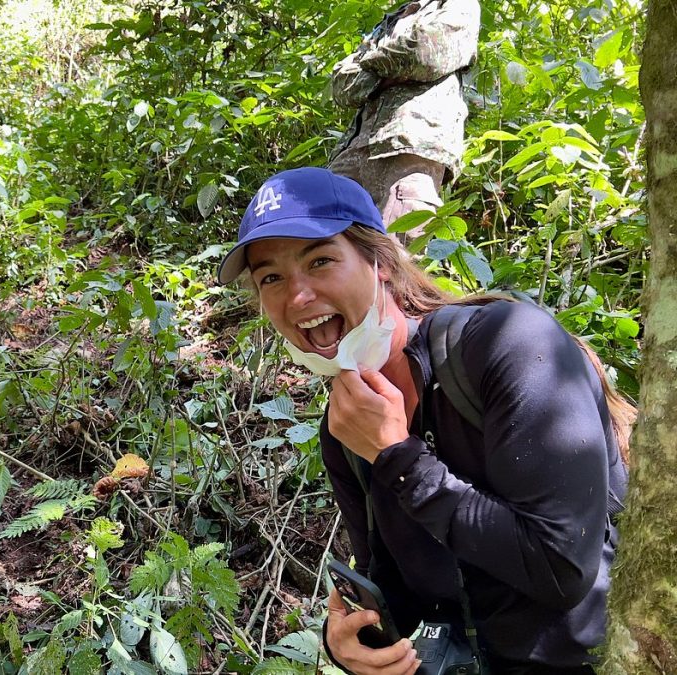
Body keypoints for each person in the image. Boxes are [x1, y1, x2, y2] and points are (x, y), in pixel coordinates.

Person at [217, 168, 631, 674]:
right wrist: (349, 640)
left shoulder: (508, 345)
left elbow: (562, 568)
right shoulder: (344, 429)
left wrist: (398, 456)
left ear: (381, 264)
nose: (297, 295)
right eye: (271, 278)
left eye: (320, 260)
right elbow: (392, 586)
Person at [327, 0, 480, 238]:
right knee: (331, 243)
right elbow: (341, 84)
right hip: (353, 151)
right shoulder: (390, 21)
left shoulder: (457, 5)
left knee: (398, 253)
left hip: (411, 142)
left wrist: (367, 65)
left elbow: (424, 53)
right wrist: (391, 68)